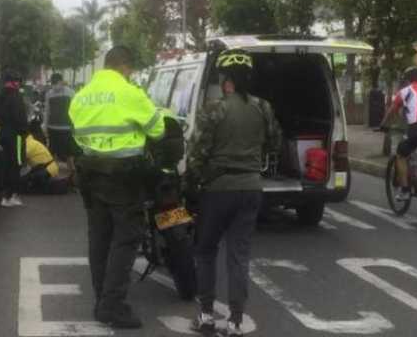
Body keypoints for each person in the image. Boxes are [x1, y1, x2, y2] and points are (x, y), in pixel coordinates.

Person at [185, 49, 281, 337]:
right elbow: (276, 142)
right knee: (239, 256)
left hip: (217, 190)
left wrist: (191, 185)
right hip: (251, 188)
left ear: (225, 79)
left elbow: (197, 154)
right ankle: (236, 322)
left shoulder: (213, 109)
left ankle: (205, 315)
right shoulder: (263, 107)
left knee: (205, 250)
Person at [69, 46, 165, 329]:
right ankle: (113, 306)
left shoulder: (81, 96)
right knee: (125, 241)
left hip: (90, 175)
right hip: (124, 178)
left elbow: (77, 134)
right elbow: (157, 129)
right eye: (130, 70)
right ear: (125, 67)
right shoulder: (129, 93)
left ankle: (101, 299)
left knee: (98, 240)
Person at [380, 66, 417, 200]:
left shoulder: (404, 92)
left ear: (407, 80)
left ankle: (405, 190)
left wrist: (383, 124)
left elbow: (392, 110)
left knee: (401, 155)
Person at [0, 71, 28, 207]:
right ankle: (12, 195)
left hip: (3, 133)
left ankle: (5, 196)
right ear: (14, 82)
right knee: (16, 164)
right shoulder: (16, 96)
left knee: (6, 164)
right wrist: (24, 131)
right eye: (18, 82)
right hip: (16, 135)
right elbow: (19, 117)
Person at [43, 73, 76, 176]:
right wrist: (45, 126)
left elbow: (75, 110)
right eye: (52, 83)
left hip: (66, 128)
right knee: (53, 152)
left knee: (69, 153)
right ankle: (53, 174)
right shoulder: (49, 94)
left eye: (56, 83)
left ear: (61, 81)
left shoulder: (70, 93)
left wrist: (74, 126)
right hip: (52, 128)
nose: (54, 86)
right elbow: (47, 111)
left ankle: (73, 173)